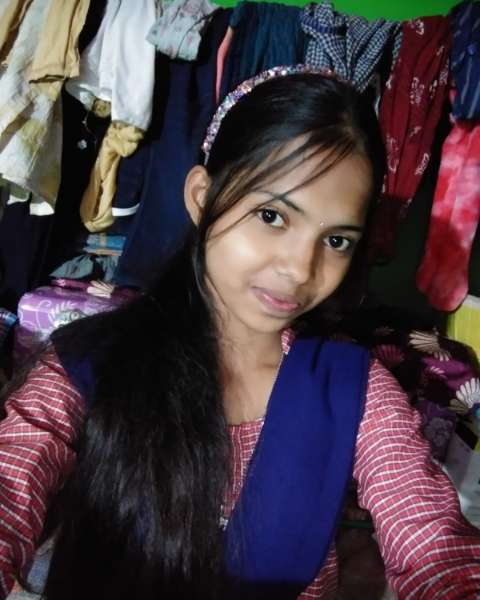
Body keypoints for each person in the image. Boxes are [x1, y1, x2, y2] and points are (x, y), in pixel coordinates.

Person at [0, 65, 479, 600]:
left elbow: (433, 542)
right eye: (272, 216)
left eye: (336, 240)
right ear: (202, 197)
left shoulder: (352, 390)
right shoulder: (86, 364)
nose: (300, 269)